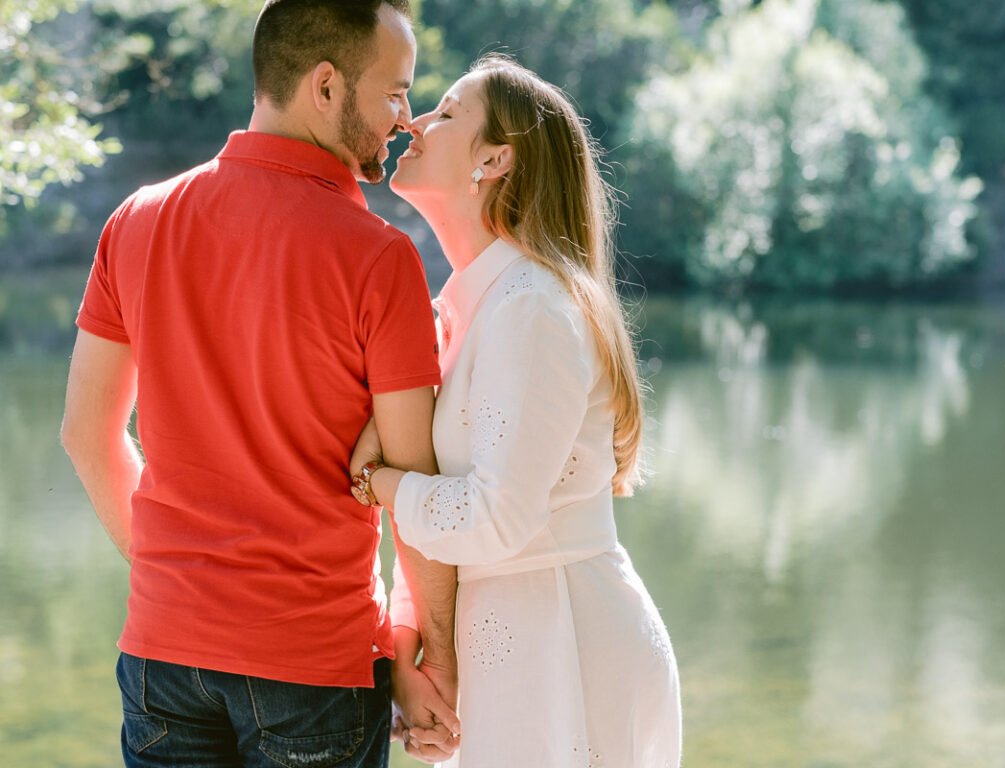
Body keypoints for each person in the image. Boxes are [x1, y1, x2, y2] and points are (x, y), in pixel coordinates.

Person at [60, 1, 460, 766]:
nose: (405, 119)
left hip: (161, 656)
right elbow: (414, 486)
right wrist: (430, 656)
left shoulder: (135, 221)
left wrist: (172, 579)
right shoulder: (379, 259)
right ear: (324, 85)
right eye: (395, 92)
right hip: (313, 666)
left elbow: (86, 435)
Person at [350, 54, 683, 767]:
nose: (414, 120)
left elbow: (494, 517)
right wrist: (414, 650)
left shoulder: (532, 308)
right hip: (513, 639)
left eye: (444, 111)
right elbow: (450, 515)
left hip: (564, 641)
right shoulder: (466, 306)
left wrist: (374, 483)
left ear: (495, 158)